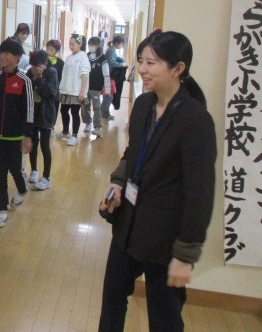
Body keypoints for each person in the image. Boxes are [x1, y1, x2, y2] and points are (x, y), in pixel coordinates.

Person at [98, 31, 216, 332]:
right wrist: (117, 184)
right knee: (112, 302)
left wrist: (185, 255)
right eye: (141, 61)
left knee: (164, 317)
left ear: (178, 68)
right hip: (128, 225)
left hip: (165, 237)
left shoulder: (195, 120)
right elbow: (132, 153)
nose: (142, 69)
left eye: (151, 63)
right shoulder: (143, 105)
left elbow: (200, 193)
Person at [0, 38, 33, 227]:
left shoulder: (24, 80)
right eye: (1, 53)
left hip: (16, 135)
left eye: (7, 54)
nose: (2, 57)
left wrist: (28, 135)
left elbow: (29, 109)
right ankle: (2, 209)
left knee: (15, 169)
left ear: (17, 57)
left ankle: (22, 189)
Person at [26, 50, 58, 190]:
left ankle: (46, 177)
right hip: (33, 114)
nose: (34, 68)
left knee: (45, 145)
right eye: (33, 66)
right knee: (33, 143)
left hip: (46, 113)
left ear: (45, 64)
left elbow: (48, 92)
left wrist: (39, 78)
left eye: (37, 66)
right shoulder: (30, 72)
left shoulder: (51, 72)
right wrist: (34, 77)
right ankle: (33, 170)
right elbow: (27, 90)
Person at [57, 34, 90, 146]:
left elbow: (85, 75)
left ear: (80, 44)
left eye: (73, 44)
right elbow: (64, 75)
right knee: (63, 110)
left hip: (76, 91)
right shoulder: (69, 58)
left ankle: (74, 136)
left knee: (75, 112)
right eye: (70, 44)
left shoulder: (83, 57)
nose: (71, 46)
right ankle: (65, 131)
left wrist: (82, 91)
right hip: (66, 90)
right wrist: (61, 89)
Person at [81, 36, 111, 137]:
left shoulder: (102, 57)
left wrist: (107, 89)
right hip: (85, 86)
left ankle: (97, 127)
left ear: (98, 45)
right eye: (89, 45)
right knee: (85, 105)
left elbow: (106, 73)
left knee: (96, 107)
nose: (90, 46)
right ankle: (88, 123)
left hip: (95, 87)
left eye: (93, 45)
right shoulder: (86, 56)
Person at [102, 35, 128, 119]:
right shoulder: (111, 50)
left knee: (108, 96)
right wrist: (121, 65)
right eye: (121, 44)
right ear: (117, 43)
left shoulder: (112, 50)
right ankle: (104, 114)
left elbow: (115, 59)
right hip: (108, 76)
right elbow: (111, 62)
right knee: (108, 96)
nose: (121, 46)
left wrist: (121, 60)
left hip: (109, 76)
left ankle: (106, 113)